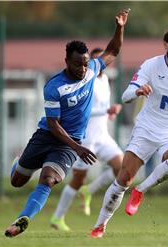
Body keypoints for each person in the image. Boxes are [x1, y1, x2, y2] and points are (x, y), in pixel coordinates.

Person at [4, 8, 130, 238]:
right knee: (17, 181)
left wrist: (119, 28)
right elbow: (53, 125)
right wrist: (78, 148)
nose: (82, 69)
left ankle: (22, 219)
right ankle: (20, 164)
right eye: (77, 64)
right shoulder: (54, 87)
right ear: (66, 61)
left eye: (84, 63)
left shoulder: (92, 69)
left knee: (49, 179)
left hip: (67, 145)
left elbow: (113, 50)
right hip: (47, 136)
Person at [90, 27, 168, 238]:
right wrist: (138, 91)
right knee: (124, 177)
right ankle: (99, 226)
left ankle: (140, 191)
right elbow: (125, 96)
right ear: (166, 45)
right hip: (147, 128)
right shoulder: (151, 66)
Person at [49, 47, 124, 231]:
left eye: (102, 61)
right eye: (96, 60)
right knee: (78, 179)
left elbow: (102, 107)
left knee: (122, 168)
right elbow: (84, 111)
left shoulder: (105, 79)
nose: (99, 65)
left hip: (102, 136)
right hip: (86, 139)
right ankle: (57, 218)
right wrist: (105, 111)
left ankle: (88, 191)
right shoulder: (85, 81)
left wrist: (110, 113)